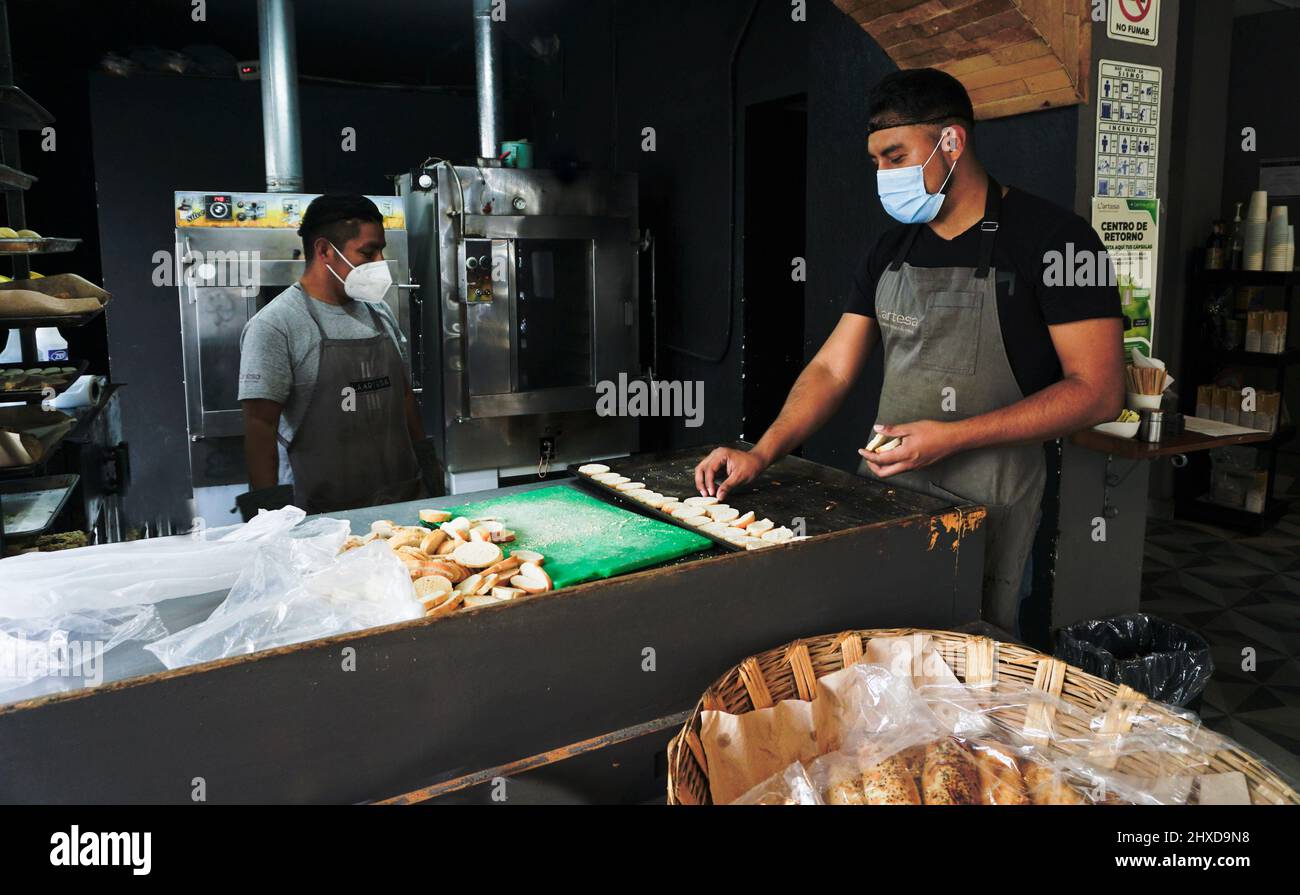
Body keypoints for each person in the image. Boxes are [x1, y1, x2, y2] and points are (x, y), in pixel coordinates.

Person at [695, 69, 1125, 634]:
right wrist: (761, 451)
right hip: (885, 495)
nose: (884, 176)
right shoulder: (890, 250)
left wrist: (952, 437)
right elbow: (831, 367)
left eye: (896, 156)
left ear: (951, 141)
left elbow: (1098, 392)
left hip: (988, 507)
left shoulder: (1055, 242)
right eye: (876, 162)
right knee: (870, 648)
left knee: (962, 664)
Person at [238, 193, 426, 515]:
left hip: (401, 501)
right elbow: (260, 428)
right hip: (323, 517)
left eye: (381, 250)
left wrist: (428, 467)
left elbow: (404, 396)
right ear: (324, 250)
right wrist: (268, 516)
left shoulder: (379, 313)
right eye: (368, 252)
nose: (380, 262)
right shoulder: (275, 325)